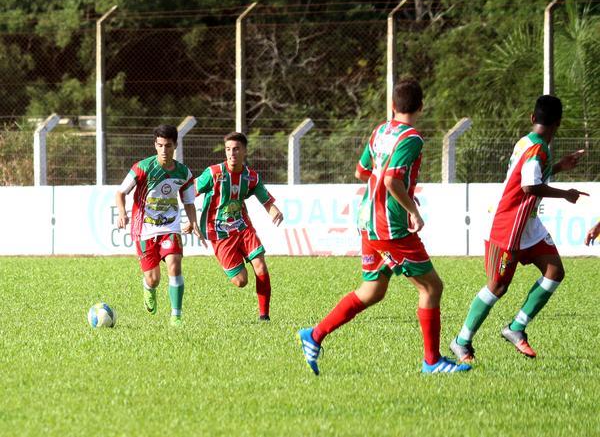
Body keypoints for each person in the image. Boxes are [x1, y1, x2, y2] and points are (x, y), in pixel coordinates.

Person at [297, 77, 471, 375]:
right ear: (421, 106)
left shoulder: (381, 130)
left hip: (367, 219)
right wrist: (412, 211)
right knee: (431, 286)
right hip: (390, 227)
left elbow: (361, 171)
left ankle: (313, 335)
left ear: (392, 105)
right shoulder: (412, 138)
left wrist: (381, 191)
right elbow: (392, 179)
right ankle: (432, 361)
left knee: (373, 290)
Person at [450, 95, 588, 361]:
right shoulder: (538, 149)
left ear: (532, 118)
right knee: (497, 286)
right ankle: (461, 341)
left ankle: (516, 327)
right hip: (508, 224)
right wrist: (566, 194)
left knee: (554, 271)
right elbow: (528, 186)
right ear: (558, 123)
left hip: (528, 225)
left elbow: (530, 177)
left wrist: (558, 166)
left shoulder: (527, 141)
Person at [186, 132, 283, 321]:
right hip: (219, 231)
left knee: (261, 266)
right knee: (241, 281)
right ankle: (229, 261)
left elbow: (266, 199)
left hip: (242, 227)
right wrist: (191, 220)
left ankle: (264, 316)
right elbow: (188, 193)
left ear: (245, 151)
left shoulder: (251, 177)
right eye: (228, 149)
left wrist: (274, 211)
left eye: (236, 149)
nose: (232, 153)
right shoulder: (213, 173)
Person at [115, 124, 204, 327]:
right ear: (155, 145)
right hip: (144, 229)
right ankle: (148, 288)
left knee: (175, 264)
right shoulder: (143, 168)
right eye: (160, 145)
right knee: (153, 279)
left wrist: (193, 222)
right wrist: (122, 213)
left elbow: (188, 202)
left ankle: (176, 316)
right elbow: (120, 192)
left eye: (168, 146)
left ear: (175, 146)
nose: (164, 150)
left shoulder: (184, 173)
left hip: (170, 228)